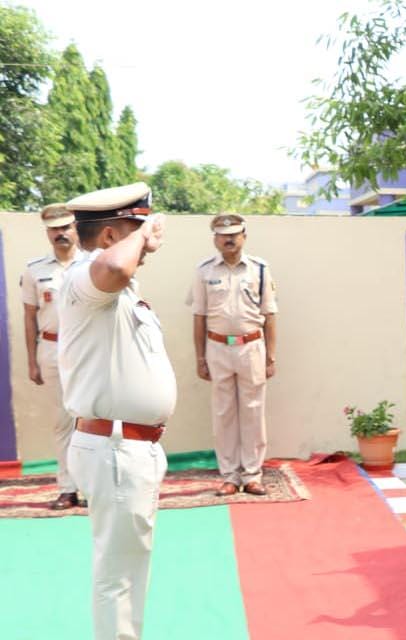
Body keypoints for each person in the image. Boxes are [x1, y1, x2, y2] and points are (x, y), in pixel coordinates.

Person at [58, 182, 176, 640]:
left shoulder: (119, 292)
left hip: (128, 446)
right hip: (115, 447)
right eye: (134, 228)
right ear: (110, 235)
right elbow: (113, 266)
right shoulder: (86, 275)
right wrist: (142, 236)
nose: (146, 244)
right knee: (118, 577)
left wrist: (138, 234)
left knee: (128, 570)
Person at [188, 214, 278, 496]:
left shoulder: (259, 269)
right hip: (217, 348)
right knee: (223, 413)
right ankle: (229, 475)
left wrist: (270, 357)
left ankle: (252, 475)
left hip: (251, 347)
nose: (229, 239)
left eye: (234, 234)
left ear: (244, 237)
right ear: (215, 239)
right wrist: (200, 358)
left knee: (253, 412)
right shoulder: (204, 271)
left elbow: (269, 314)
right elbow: (199, 317)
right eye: (223, 235)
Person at [21, 203, 82, 510]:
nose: (61, 233)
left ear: (75, 228)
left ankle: (93, 487)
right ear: (47, 233)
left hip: (88, 349)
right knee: (62, 421)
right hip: (52, 348)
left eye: (65, 227)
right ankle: (68, 489)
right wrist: (32, 361)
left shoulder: (93, 263)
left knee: (93, 420)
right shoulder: (35, 269)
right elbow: (29, 317)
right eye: (54, 229)